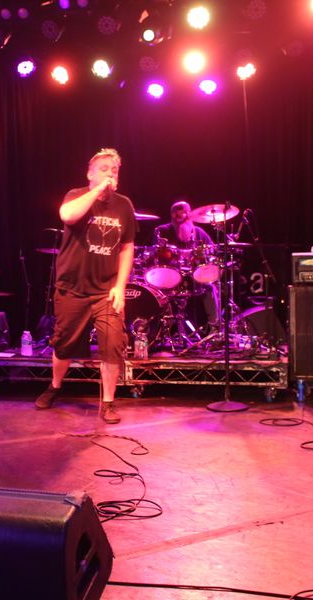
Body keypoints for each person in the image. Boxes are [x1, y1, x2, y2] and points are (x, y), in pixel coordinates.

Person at [34, 148, 137, 423]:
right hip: (72, 288)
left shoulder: (124, 205)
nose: (110, 174)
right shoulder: (76, 195)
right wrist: (98, 191)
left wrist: (120, 285)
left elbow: (127, 247)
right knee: (64, 344)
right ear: (89, 174)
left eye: (114, 170)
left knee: (113, 343)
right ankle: (55, 386)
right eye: (104, 169)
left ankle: (108, 402)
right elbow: (67, 216)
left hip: (106, 291)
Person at [151, 200, 220, 329]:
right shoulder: (162, 230)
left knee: (211, 287)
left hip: (195, 280)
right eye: (177, 210)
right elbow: (155, 255)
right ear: (172, 214)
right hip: (169, 279)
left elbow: (212, 251)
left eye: (185, 211)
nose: (181, 213)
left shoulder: (199, 232)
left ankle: (210, 327)